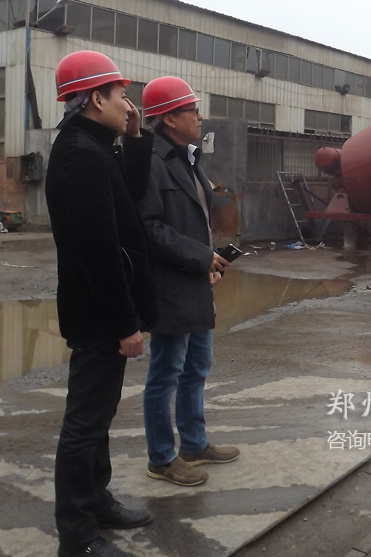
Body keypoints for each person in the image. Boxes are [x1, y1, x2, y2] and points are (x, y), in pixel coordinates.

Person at [46, 51, 159, 557]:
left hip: (98, 310)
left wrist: (133, 137)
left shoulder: (90, 147)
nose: (128, 105)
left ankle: (97, 500)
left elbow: (129, 197)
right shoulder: (81, 156)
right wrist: (124, 324)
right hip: (98, 314)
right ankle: (77, 536)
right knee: (85, 423)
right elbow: (98, 251)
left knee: (99, 415)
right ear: (96, 98)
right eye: (120, 96)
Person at [137, 76, 240, 487]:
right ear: (168, 119)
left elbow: (194, 221)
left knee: (197, 366)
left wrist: (208, 261)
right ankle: (161, 457)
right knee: (166, 372)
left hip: (196, 279)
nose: (200, 117)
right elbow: (149, 226)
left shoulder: (188, 158)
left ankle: (194, 444)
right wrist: (200, 256)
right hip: (170, 284)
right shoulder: (150, 161)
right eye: (192, 110)